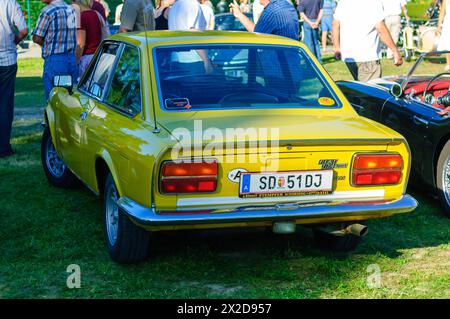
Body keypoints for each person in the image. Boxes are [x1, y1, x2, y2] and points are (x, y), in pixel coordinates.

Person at [332, 0, 403, 82]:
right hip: (367, 56)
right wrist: (395, 51)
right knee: (371, 92)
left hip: (349, 56)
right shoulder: (372, 2)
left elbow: (335, 24)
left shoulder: (344, 2)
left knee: (361, 89)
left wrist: (337, 47)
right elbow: (380, 28)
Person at [33, 0, 78, 101]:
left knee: (53, 99)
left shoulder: (48, 11)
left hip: (54, 59)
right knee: (70, 98)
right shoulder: (72, 10)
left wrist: (46, 44)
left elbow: (37, 38)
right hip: (72, 58)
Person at [0, 0, 28, 158]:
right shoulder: (11, 3)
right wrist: (14, 41)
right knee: (4, 104)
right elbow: (24, 30)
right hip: (7, 59)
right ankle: (3, 147)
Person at [230, 0, 299, 40]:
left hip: (278, 62)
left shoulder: (272, 10)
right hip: (291, 59)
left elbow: (256, 33)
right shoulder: (286, 4)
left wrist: (239, 14)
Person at [74, 0, 103, 77]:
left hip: (86, 59)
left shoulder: (81, 17)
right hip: (97, 57)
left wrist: (76, 61)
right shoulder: (95, 14)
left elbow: (81, 44)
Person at [437, 0, 450, 70]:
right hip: (448, 23)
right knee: (448, 43)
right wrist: (439, 25)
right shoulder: (446, 0)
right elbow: (442, 12)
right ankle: (448, 64)